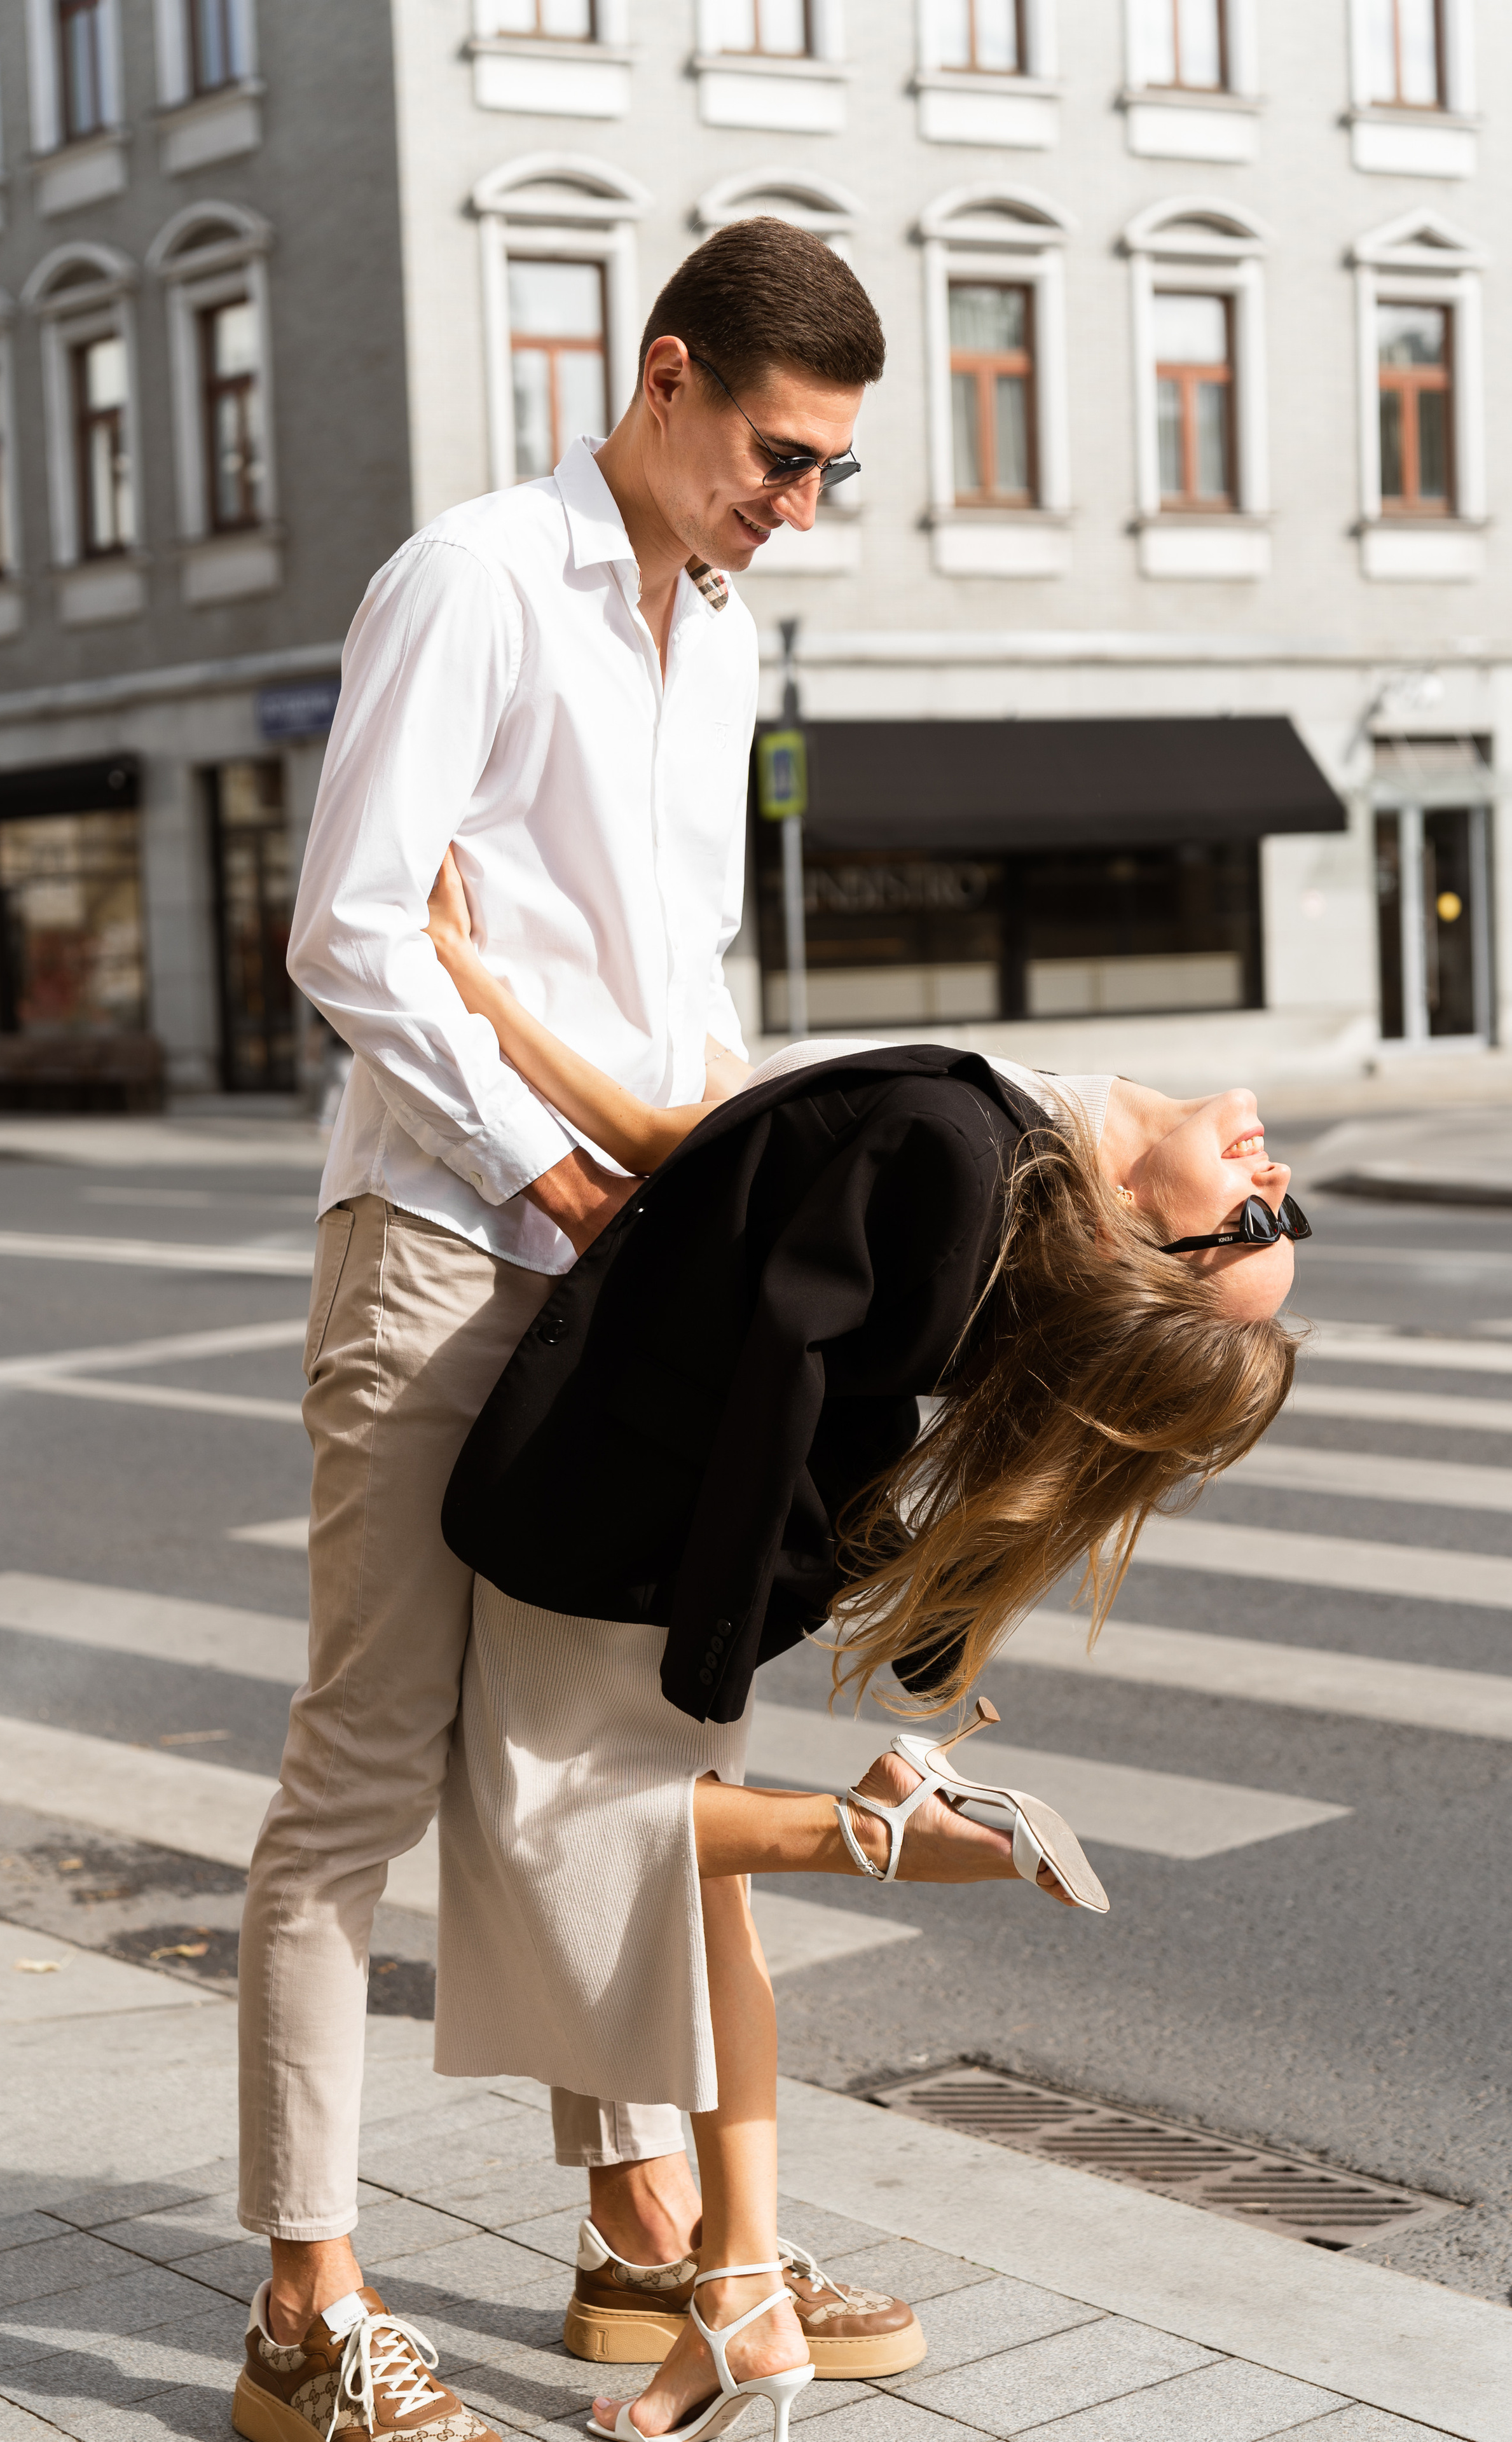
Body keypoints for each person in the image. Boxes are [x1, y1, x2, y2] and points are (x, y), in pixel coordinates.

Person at [230, 217, 902, 2442]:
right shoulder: (473, 581)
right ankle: (308, 2309)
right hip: (448, 1245)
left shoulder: (709, 631)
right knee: (362, 1768)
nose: (789, 507)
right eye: (778, 457)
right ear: (668, 373)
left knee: (598, 1773)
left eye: (823, 478)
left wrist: (716, 1186)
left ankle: (639, 2239)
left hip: (624, 1268)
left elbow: (669, 983)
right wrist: (541, 1164)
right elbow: (351, 928)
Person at [416, 850, 1303, 2440]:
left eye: (1249, 1221)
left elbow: (699, 1213)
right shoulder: (999, 1136)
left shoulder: (958, 1142)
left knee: (550, 1842)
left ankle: (868, 1823)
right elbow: (698, 1157)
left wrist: (473, 993)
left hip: (616, 1537)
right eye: (1277, 1211)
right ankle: (742, 2286)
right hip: (675, 1555)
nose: (1265, 1175)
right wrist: (493, 996)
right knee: (708, 1913)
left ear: (1144, 1246)